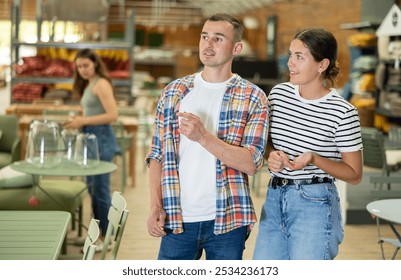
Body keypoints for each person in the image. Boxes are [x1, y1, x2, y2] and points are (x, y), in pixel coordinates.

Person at [145, 13, 269, 260]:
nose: (207, 45)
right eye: (204, 37)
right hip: (176, 217)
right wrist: (155, 205)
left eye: (218, 39)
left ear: (237, 48)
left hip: (228, 219)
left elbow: (252, 164)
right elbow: (157, 154)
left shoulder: (253, 97)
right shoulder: (174, 92)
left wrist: (203, 137)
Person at [253, 28, 363, 260]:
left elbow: (354, 174)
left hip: (315, 203)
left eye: (299, 57)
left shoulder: (343, 112)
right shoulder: (279, 95)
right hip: (274, 198)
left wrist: (314, 158)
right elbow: (267, 145)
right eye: (291, 55)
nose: (290, 63)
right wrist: (271, 155)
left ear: (322, 64)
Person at [64, 48, 118, 250]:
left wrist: (83, 120)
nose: (83, 70)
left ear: (95, 64)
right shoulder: (89, 84)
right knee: (93, 190)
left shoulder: (101, 84)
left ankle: (107, 239)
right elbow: (92, 110)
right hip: (90, 137)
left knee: (100, 191)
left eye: (86, 65)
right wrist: (78, 120)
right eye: (79, 66)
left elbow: (113, 115)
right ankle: (96, 236)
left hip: (101, 138)